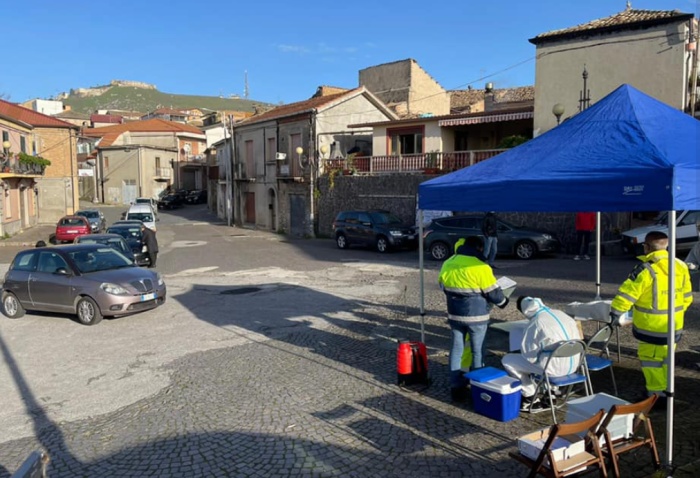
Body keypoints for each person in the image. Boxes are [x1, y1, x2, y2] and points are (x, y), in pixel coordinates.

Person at [610, 231, 692, 400]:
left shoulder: (646, 269)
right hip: (673, 326)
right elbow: (687, 297)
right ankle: (666, 389)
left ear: (646, 247)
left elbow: (627, 295)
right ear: (666, 246)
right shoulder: (680, 266)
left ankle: (656, 395)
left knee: (651, 362)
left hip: (650, 328)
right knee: (666, 359)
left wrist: (615, 314)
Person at [438, 235, 509, 402]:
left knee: (456, 350)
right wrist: (504, 301)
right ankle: (478, 388)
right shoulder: (481, 267)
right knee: (478, 352)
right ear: (479, 248)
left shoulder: (448, 262)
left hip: (455, 315)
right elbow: (494, 294)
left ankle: (456, 387)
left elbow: (443, 285)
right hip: (477, 317)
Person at [502, 296, 582, 410]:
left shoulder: (536, 322)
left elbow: (529, 355)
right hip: (574, 365)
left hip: (553, 369)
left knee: (509, 360)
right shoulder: (561, 314)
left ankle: (530, 397)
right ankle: (551, 393)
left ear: (525, 311)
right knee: (548, 355)